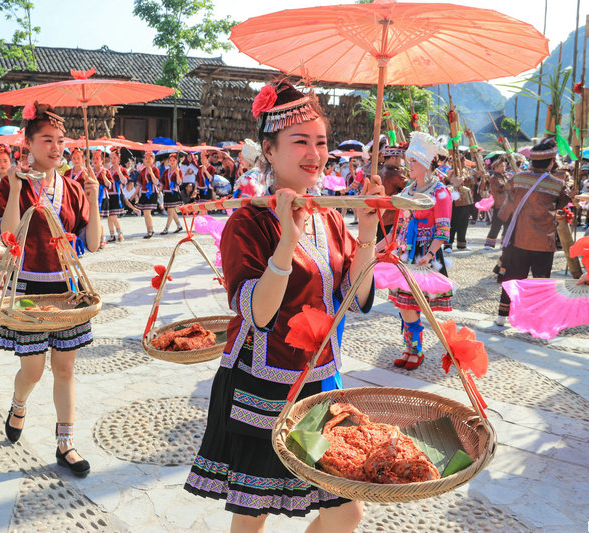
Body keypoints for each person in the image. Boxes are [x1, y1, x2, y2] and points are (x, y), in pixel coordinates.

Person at [185, 80, 381, 532]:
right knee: (253, 516)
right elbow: (258, 314)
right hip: (262, 384)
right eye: (300, 142)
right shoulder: (248, 220)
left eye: (321, 142)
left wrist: (367, 233)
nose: (315, 153)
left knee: (347, 509)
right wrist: (285, 241)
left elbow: (358, 298)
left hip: (319, 381)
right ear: (269, 151)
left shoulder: (331, 216)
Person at [0, 102, 102, 477]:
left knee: (65, 368)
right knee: (35, 369)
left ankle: (66, 443)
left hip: (67, 290)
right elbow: (7, 237)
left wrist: (95, 197)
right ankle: (19, 403)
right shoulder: (14, 183)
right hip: (27, 288)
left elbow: (93, 242)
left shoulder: (73, 188)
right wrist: (12, 189)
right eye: (47, 140)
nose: (56, 148)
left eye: (60, 141)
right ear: (28, 142)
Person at [379, 131, 452, 370]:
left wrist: (430, 255)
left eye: (412, 162)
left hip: (423, 253)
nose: (408, 166)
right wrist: (377, 247)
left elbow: (442, 230)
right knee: (402, 304)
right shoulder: (406, 192)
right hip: (404, 251)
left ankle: (416, 350)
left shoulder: (440, 192)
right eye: (409, 161)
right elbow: (398, 225)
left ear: (425, 164)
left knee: (411, 303)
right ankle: (410, 348)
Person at [495, 138, 572, 327]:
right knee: (540, 283)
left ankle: (501, 317)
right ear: (552, 162)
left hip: (519, 239)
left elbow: (506, 208)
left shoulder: (518, 178)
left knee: (512, 278)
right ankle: (536, 319)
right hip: (544, 242)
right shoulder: (557, 184)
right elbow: (563, 204)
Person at [377, 146, 408, 240]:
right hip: (391, 218)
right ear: (393, 158)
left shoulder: (380, 171)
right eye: (399, 158)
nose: (400, 161)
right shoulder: (394, 174)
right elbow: (410, 187)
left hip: (380, 216)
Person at [483, 155, 510, 249]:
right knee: (496, 225)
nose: (504, 168)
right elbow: (501, 188)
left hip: (507, 204)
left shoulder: (504, 176)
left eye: (504, 166)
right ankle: (489, 243)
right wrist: (512, 181)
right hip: (499, 204)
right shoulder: (494, 178)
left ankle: (505, 242)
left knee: (508, 224)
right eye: (502, 166)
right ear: (495, 168)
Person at [445, 172, 473, 252]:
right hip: (454, 203)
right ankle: (448, 245)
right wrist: (454, 182)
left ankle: (461, 244)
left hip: (464, 202)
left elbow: (471, 181)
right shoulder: (451, 171)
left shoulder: (464, 171)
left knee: (463, 224)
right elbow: (447, 181)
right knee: (452, 224)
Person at [135, 151, 161, 238]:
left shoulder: (155, 169)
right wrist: (135, 194)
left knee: (147, 212)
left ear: (153, 159)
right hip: (144, 192)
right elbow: (139, 183)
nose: (147, 160)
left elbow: (156, 182)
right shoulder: (143, 170)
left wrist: (151, 173)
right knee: (145, 213)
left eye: (149, 158)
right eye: (146, 158)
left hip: (152, 192)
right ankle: (149, 230)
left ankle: (150, 230)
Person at [160, 152, 183, 234]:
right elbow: (162, 182)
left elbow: (179, 182)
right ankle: (179, 226)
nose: (172, 162)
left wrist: (177, 174)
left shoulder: (178, 170)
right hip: (167, 192)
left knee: (170, 211)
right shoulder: (166, 171)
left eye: (174, 160)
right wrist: (159, 191)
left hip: (174, 192)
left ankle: (166, 228)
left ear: (176, 161)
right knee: (172, 211)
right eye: (170, 160)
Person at [108, 147, 129, 239]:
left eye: (114, 158)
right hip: (108, 194)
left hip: (117, 194)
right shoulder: (107, 170)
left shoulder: (123, 170)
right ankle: (112, 234)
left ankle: (120, 231)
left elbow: (124, 181)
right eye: (111, 158)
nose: (112, 160)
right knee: (109, 215)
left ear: (119, 159)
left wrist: (119, 171)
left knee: (113, 215)